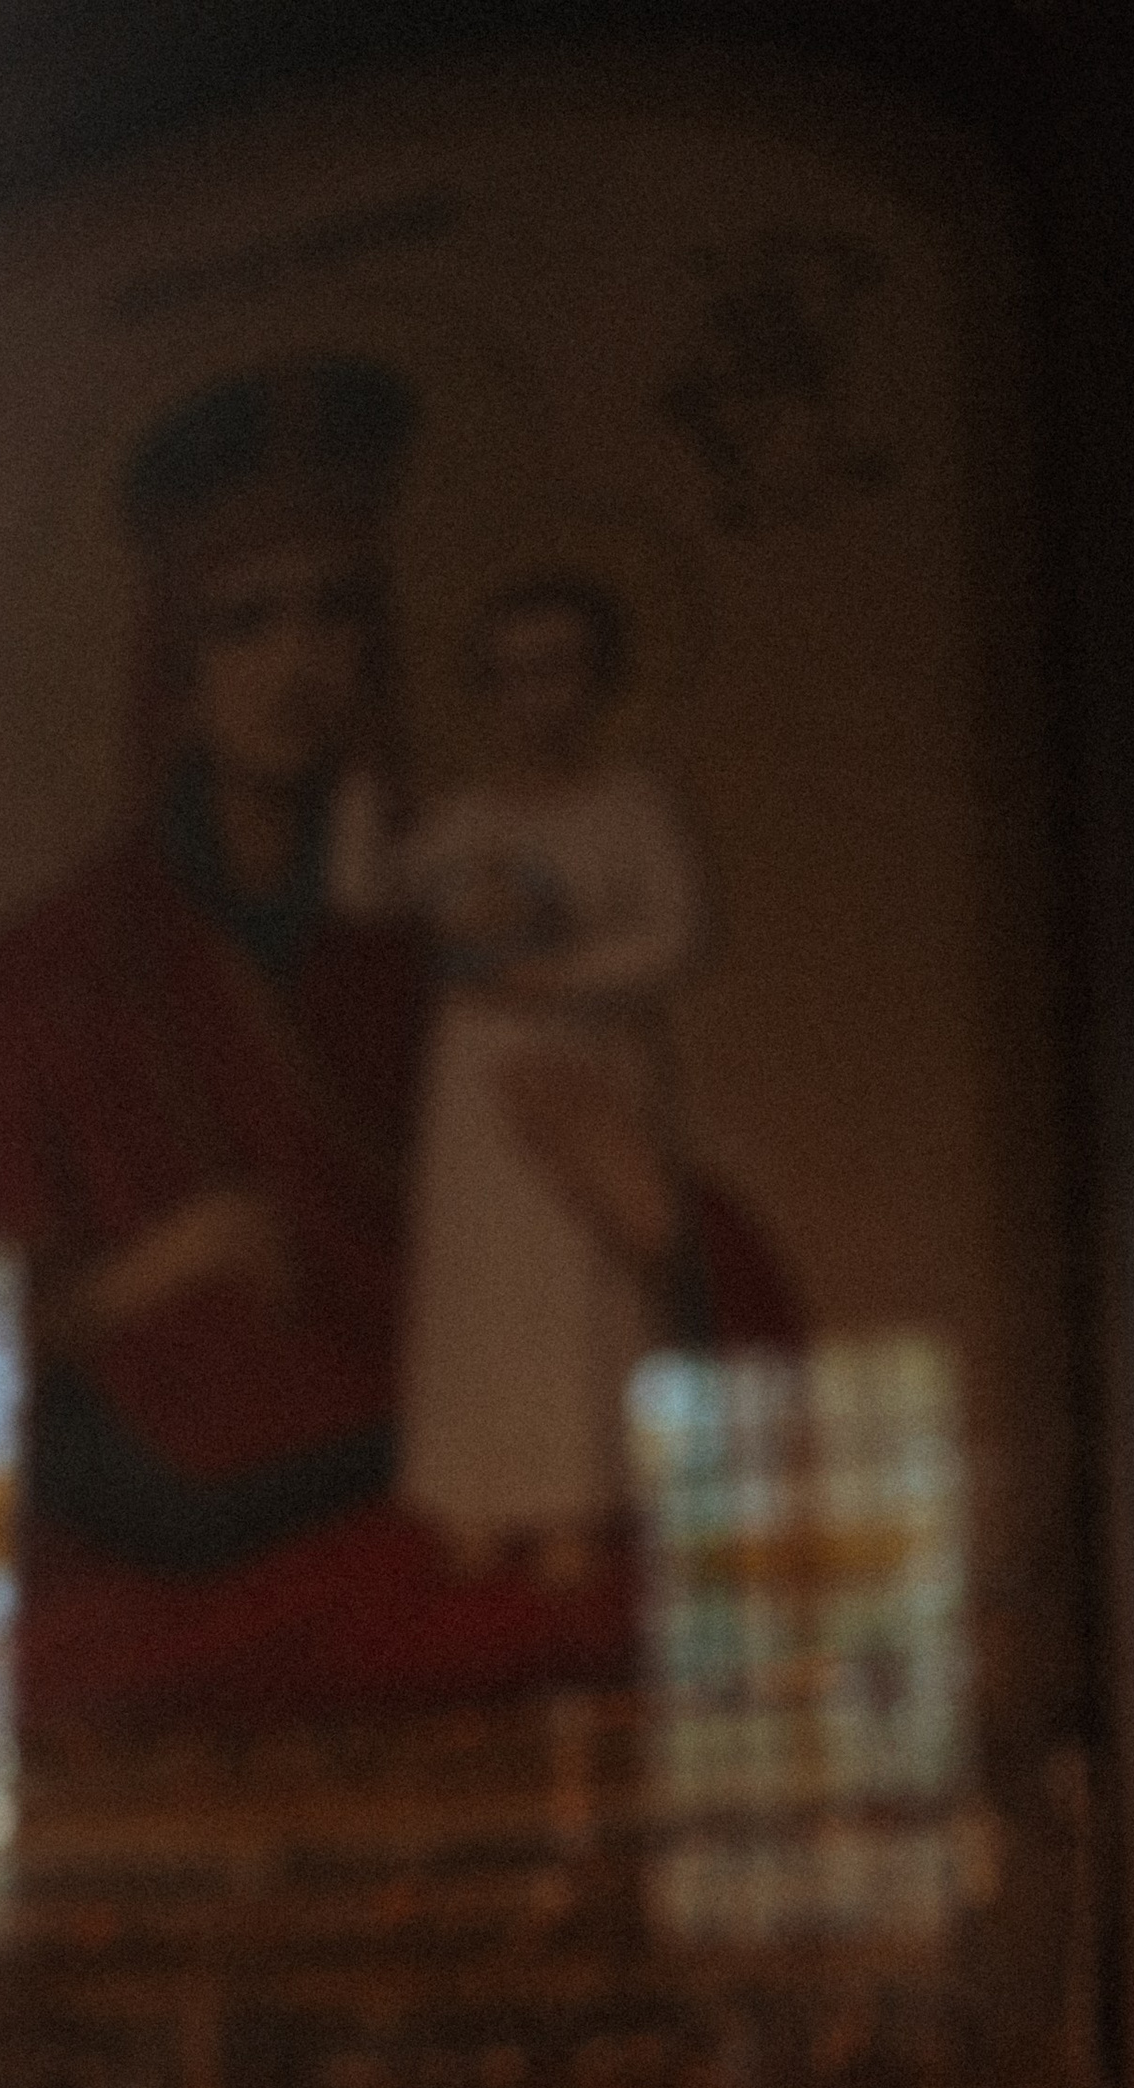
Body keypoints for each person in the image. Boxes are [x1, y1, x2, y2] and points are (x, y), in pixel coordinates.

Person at [0, 359, 802, 1735]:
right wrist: (143, 1279)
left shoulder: (456, 946)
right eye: (247, 622)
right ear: (174, 670)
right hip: (176, 1549)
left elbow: (686, 1274)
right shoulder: (32, 987)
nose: (299, 664)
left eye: (337, 616)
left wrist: (660, 1231)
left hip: (442, 1487)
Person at [370, 571, 708, 1577]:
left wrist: (560, 974)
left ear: (597, 681)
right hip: (477, 1076)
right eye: (512, 677)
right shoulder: (470, 816)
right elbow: (376, 892)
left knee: (576, 1285)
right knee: (487, 1285)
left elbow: (673, 934)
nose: (536, 699)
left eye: (557, 672)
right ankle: (478, 1494)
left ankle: (575, 1502)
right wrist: (353, 795)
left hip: (584, 1063)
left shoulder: (629, 806)